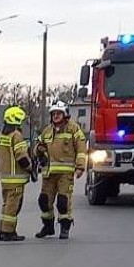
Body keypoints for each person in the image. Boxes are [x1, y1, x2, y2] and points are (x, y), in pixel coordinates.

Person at [34, 101, 87, 240]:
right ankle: (48, 226)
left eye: (59, 113)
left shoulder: (73, 129)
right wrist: (38, 150)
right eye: (54, 113)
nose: (56, 116)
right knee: (44, 201)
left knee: (63, 202)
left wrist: (80, 167)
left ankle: (65, 227)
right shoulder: (47, 131)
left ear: (65, 114)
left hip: (65, 173)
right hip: (49, 173)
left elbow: (81, 149)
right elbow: (37, 147)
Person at [0, 106, 33, 242]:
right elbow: (21, 157)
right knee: (13, 206)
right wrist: (30, 168)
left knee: (6, 205)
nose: (22, 123)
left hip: (5, 179)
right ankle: (8, 232)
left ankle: (3, 230)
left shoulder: (1, 135)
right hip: (16, 180)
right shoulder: (16, 135)